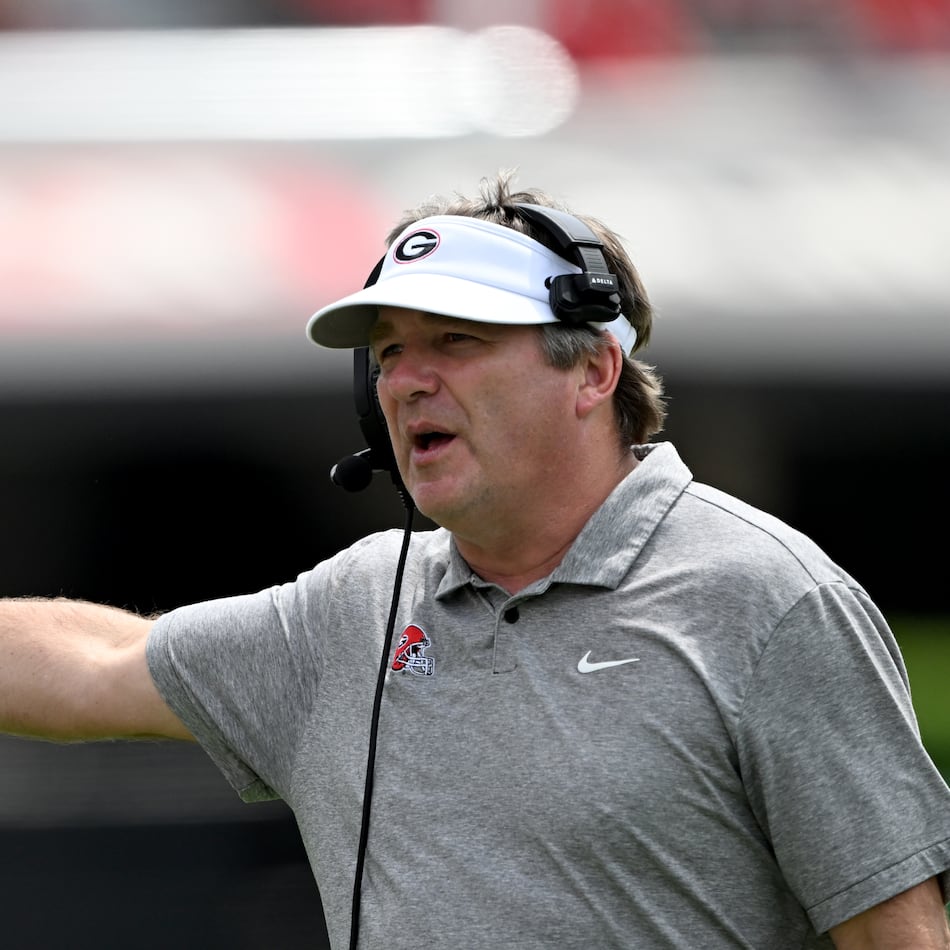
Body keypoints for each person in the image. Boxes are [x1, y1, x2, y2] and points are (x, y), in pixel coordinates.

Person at [1, 170, 949, 950]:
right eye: (389, 352)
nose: (408, 381)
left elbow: (895, 935)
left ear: (593, 370)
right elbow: (93, 668)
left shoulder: (768, 597)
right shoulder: (355, 609)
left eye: (456, 340)